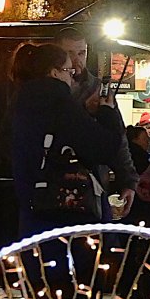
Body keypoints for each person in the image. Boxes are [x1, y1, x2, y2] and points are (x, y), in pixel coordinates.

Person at [8, 40, 128, 299]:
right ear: (53, 72)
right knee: (83, 285)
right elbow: (103, 145)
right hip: (70, 212)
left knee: (40, 288)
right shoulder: (57, 99)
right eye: (66, 68)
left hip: (33, 211)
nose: (73, 72)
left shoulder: (19, 101)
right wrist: (105, 114)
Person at [58, 32, 136, 218]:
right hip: (57, 186)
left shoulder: (97, 88)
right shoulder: (50, 90)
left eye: (81, 53)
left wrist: (129, 181)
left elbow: (118, 136)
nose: (76, 60)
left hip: (93, 184)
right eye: (69, 53)